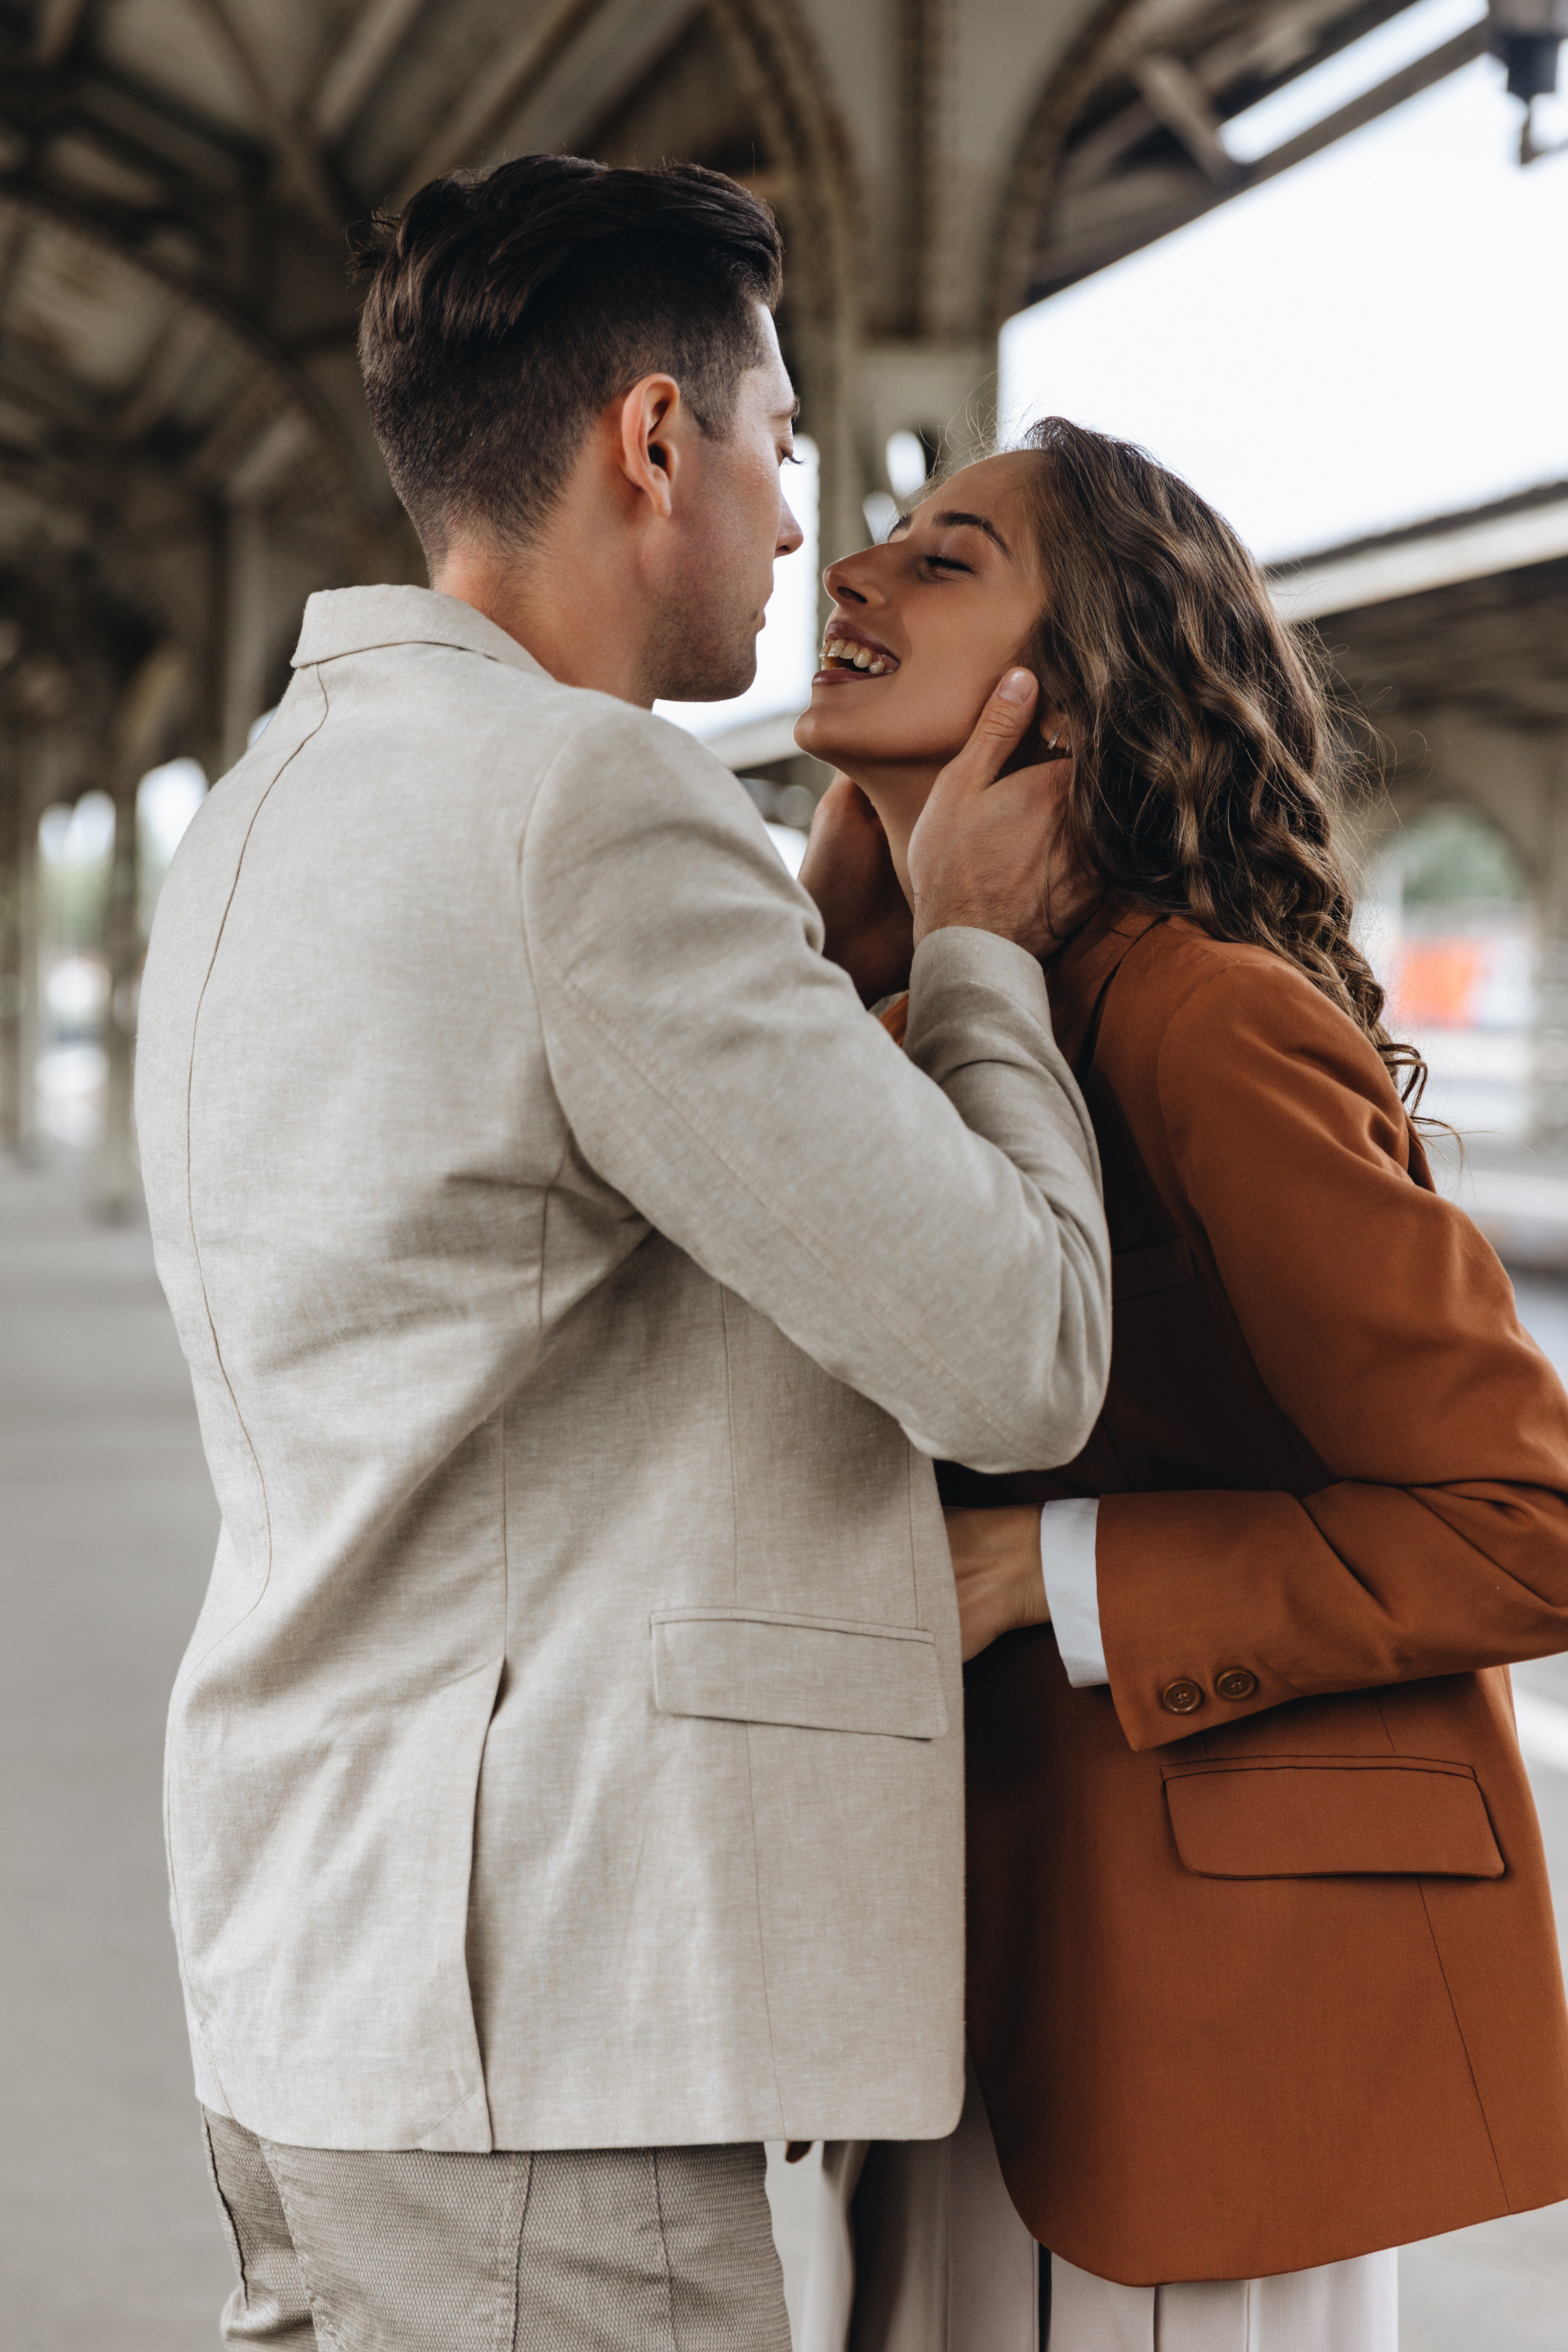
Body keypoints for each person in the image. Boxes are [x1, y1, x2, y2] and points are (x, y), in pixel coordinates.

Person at [133, 163, 1113, 2349]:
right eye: (779, 440)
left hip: (314, 1986)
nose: (800, 524)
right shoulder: (591, 806)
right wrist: (975, 950)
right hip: (543, 2048)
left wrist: (819, 953)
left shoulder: (275, 801)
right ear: (655, 438)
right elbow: (1023, 1350)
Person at [792, 415, 1568, 2352]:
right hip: (974, 1973)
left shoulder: (1202, 1019)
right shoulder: (913, 1005)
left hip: (1206, 2013)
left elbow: (1526, 1518)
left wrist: (1038, 1573)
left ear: (1071, 695)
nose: (848, 575)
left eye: (945, 558)